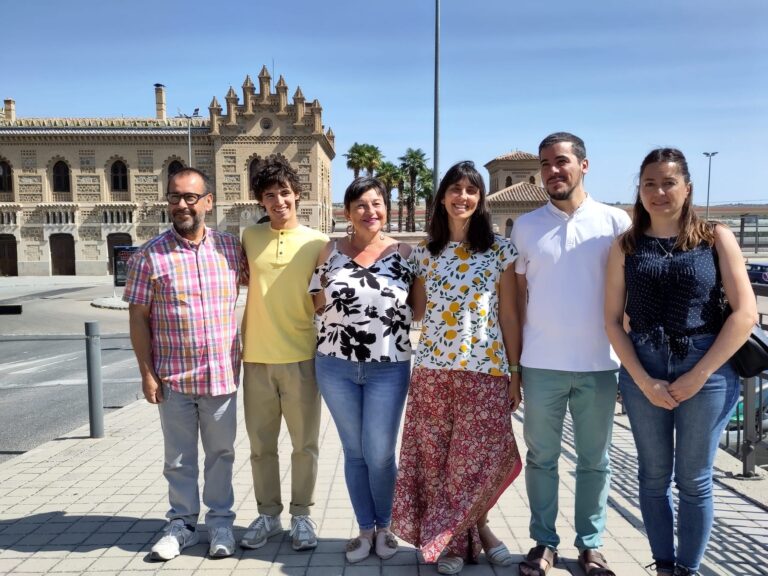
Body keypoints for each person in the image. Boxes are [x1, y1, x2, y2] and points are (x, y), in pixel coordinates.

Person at [604, 148, 755, 576]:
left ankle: (688, 569)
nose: (658, 192)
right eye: (649, 183)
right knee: (653, 478)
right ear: (640, 190)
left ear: (687, 188)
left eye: (668, 182)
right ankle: (664, 566)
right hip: (643, 368)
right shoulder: (625, 246)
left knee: (694, 479)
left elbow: (746, 314)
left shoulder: (715, 237)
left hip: (706, 368)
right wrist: (643, 380)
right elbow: (612, 322)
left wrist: (698, 374)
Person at [391, 161, 522, 575]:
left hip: (485, 371)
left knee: (480, 457)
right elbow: (416, 311)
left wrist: (515, 371)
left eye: (471, 190)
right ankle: (458, 541)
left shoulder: (499, 250)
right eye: (455, 189)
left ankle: (473, 529)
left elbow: (511, 316)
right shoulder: (425, 255)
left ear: (480, 199)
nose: (462, 197)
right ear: (442, 196)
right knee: (438, 460)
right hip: (432, 370)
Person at [511, 132, 631, 576]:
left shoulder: (616, 222)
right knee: (541, 459)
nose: (552, 171)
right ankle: (543, 542)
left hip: (600, 365)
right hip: (541, 364)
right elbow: (519, 299)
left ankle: (591, 544)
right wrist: (516, 367)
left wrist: (632, 364)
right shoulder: (526, 226)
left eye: (561, 161)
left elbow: (628, 299)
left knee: (594, 461)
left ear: (584, 165)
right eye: (544, 164)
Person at [124, 167, 242, 561]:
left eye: (191, 197)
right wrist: (146, 373)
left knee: (221, 454)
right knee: (178, 458)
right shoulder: (149, 255)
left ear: (208, 202)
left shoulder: (229, 248)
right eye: (175, 197)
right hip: (173, 379)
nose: (182, 205)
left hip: (222, 376)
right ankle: (182, 523)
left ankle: (221, 522)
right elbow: (138, 317)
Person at [309, 176, 414, 563]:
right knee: (354, 452)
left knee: (381, 452)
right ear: (347, 213)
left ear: (385, 207)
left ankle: (386, 527)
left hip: (389, 367)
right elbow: (315, 302)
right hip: (335, 366)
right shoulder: (329, 251)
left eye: (377, 203)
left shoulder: (406, 254)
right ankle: (365, 530)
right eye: (361, 206)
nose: (371, 212)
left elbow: (418, 310)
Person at [240, 158, 328, 552]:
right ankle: (267, 514)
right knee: (261, 447)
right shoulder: (247, 238)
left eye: (285, 193)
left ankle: (302, 515)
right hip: (255, 359)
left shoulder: (318, 242)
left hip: (302, 358)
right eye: (270, 195)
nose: (279, 201)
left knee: (304, 444)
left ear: (297, 195)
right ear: (261, 201)